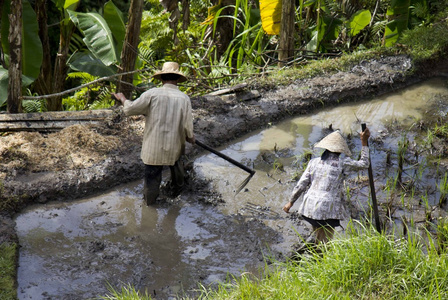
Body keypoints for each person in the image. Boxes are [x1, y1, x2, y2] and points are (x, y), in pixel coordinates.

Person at [113, 62, 195, 205]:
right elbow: (188, 126)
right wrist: (190, 137)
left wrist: (122, 99)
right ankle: (175, 200)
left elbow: (130, 110)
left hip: (153, 149)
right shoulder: (184, 98)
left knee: (151, 182)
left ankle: (149, 207)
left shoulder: (152, 94)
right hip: (174, 148)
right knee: (178, 176)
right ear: (177, 80)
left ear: (162, 78)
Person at [283, 128, 370, 244]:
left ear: (326, 148)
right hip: (328, 210)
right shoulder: (343, 163)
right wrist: (364, 142)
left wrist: (290, 203)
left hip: (310, 208)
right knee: (325, 244)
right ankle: (320, 257)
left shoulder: (313, 162)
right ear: (340, 151)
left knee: (318, 234)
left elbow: (301, 184)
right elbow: (365, 163)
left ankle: (313, 251)